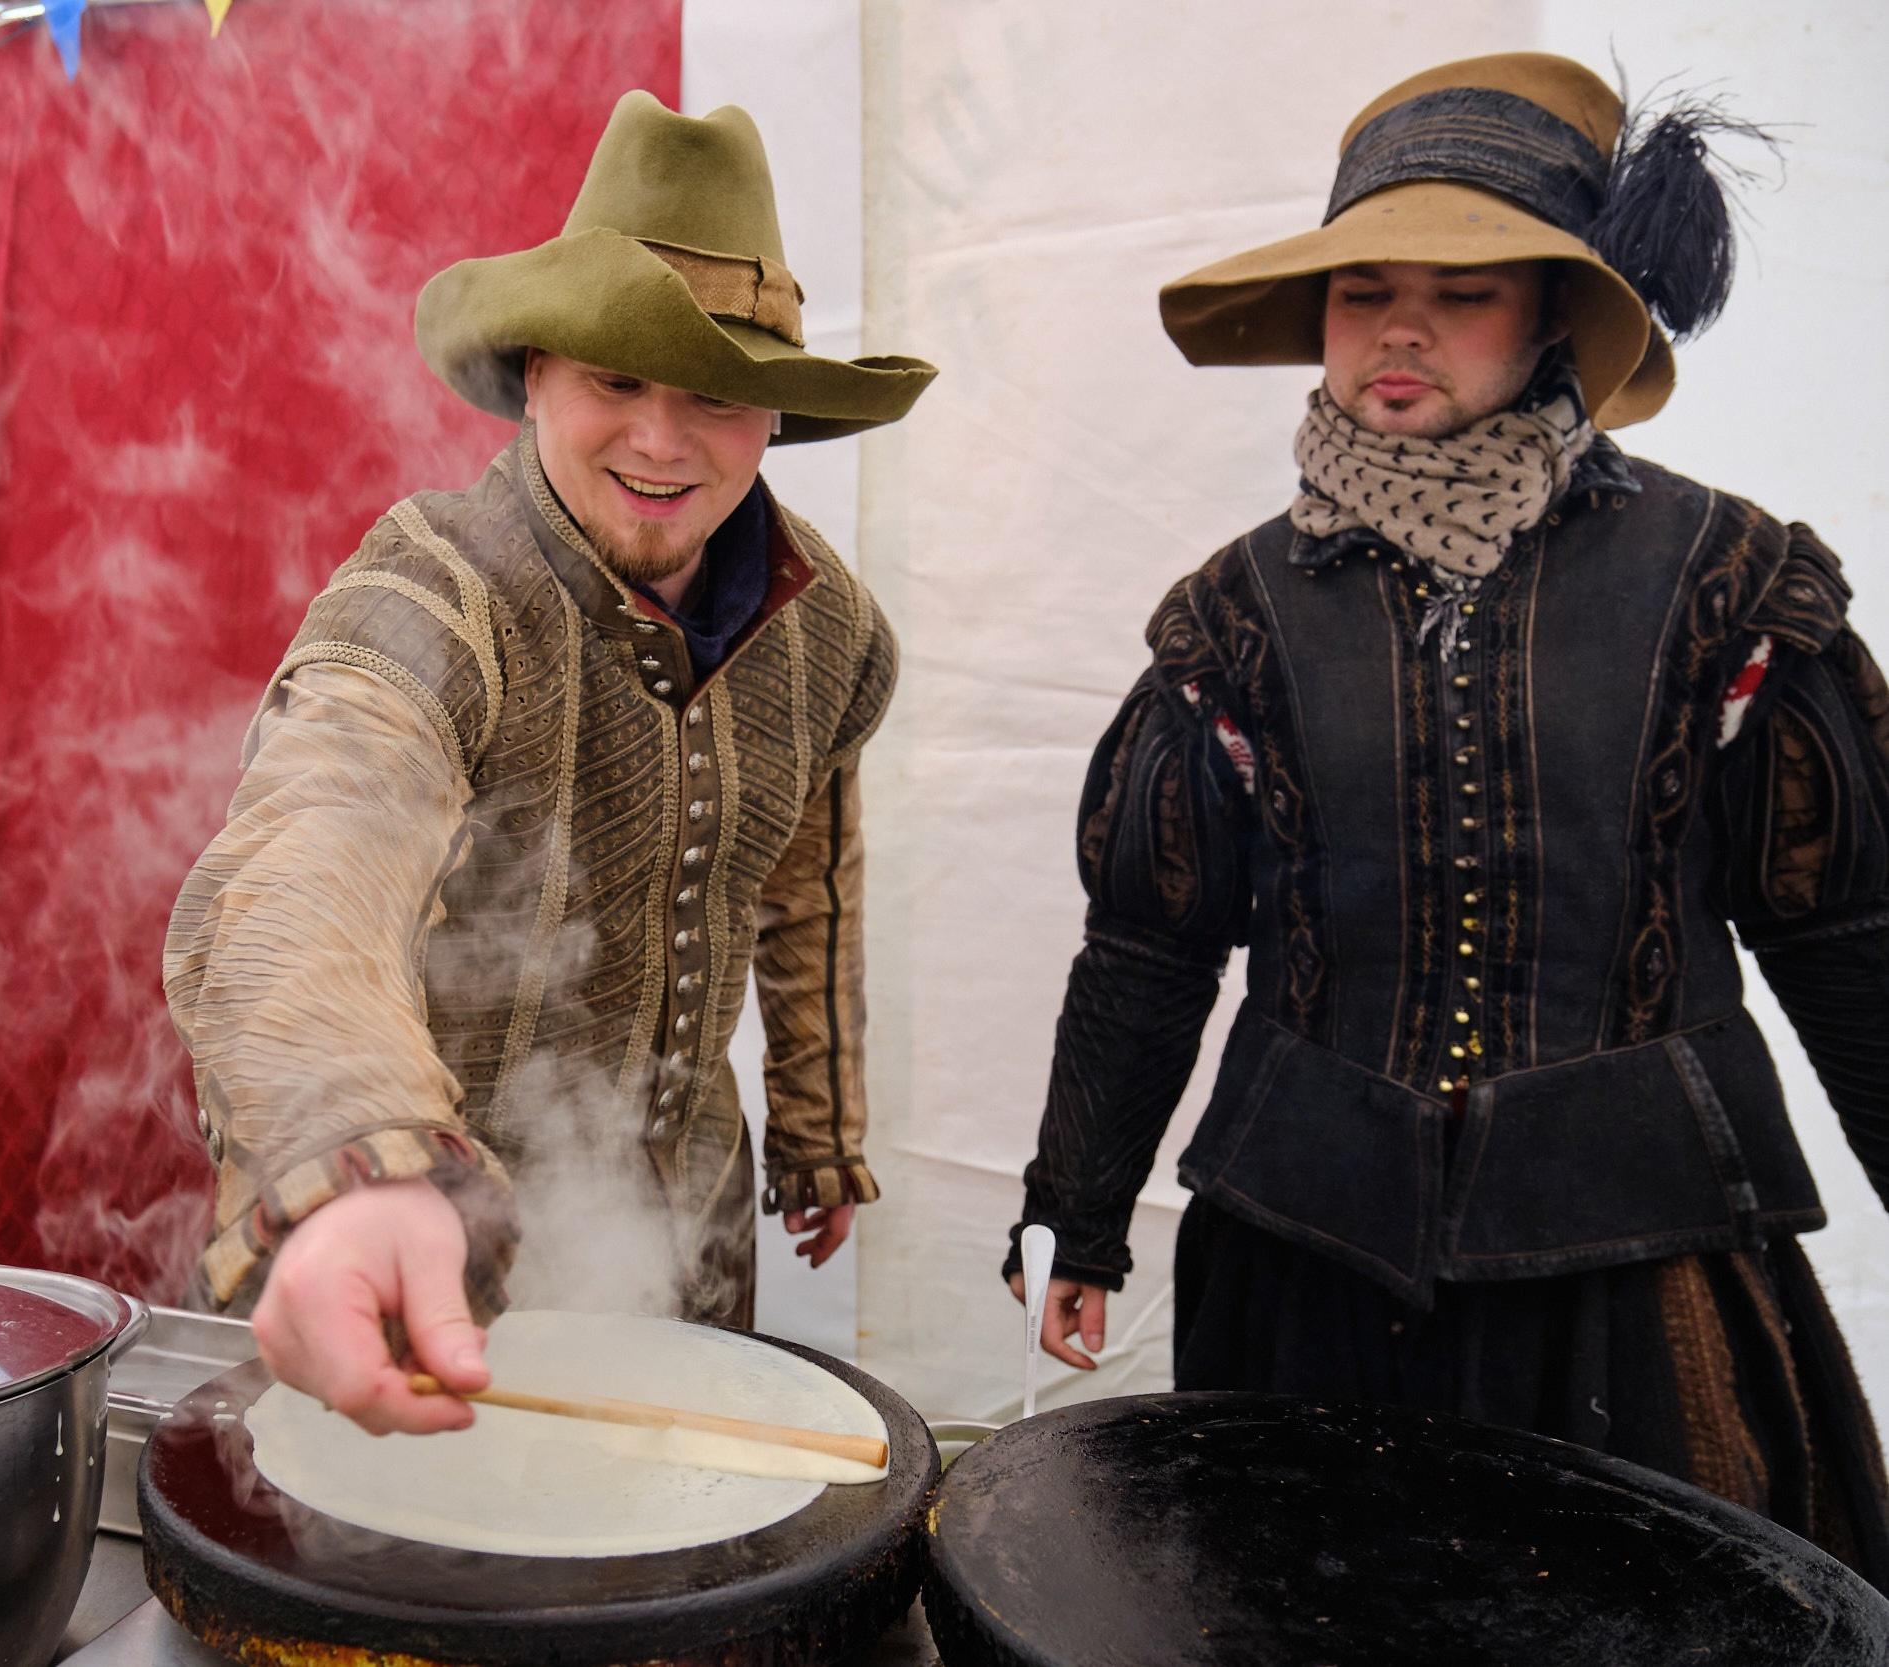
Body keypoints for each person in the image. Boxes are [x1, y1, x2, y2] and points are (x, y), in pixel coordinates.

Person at [1007, 52, 1889, 1576]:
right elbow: (1148, 949)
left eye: (1464, 289)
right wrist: (1078, 1213)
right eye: (1363, 290)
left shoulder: (1726, 583)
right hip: (1308, 1269)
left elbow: (1852, 933)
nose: (1399, 328)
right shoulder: (1236, 615)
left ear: (1557, 318)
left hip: (1640, 1281)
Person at [166, 91, 934, 1434]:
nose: (658, 439)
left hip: (691, 1243)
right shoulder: (434, 582)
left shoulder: (832, 632)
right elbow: (308, 857)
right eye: (615, 381)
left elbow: (804, 873)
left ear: (772, 419)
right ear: (535, 377)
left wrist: (816, 1127)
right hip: (438, 1259)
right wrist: (364, 1174)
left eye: (715, 396)